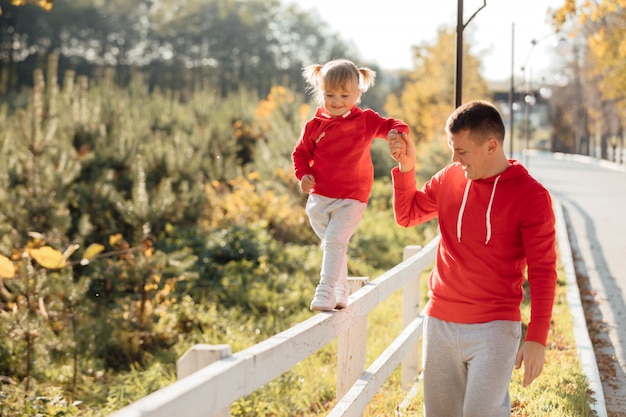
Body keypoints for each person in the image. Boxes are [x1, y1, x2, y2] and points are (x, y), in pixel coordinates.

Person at [388, 100, 557, 416]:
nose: (454, 159)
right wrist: (407, 168)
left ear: (491, 146)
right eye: (452, 149)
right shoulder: (449, 178)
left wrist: (537, 337)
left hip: (495, 328)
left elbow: (543, 271)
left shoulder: (532, 197)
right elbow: (408, 215)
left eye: (461, 151)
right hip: (440, 322)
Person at [292, 59, 409, 312]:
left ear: (358, 93)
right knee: (334, 244)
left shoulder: (364, 121)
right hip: (319, 198)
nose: (336, 101)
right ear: (320, 91)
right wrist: (303, 175)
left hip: (352, 197)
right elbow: (300, 154)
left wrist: (396, 132)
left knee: (335, 241)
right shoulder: (314, 126)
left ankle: (324, 290)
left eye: (344, 95)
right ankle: (341, 289)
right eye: (329, 94)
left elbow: (392, 124)